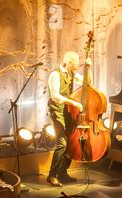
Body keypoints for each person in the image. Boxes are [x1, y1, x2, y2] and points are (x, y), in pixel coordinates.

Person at [47, 51, 91, 187]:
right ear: (69, 62)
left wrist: (89, 67)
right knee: (62, 143)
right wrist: (75, 103)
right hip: (57, 111)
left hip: (67, 112)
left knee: (71, 143)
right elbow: (55, 96)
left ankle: (62, 173)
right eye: (76, 62)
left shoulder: (72, 74)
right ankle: (52, 175)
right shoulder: (55, 75)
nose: (78, 64)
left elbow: (87, 82)